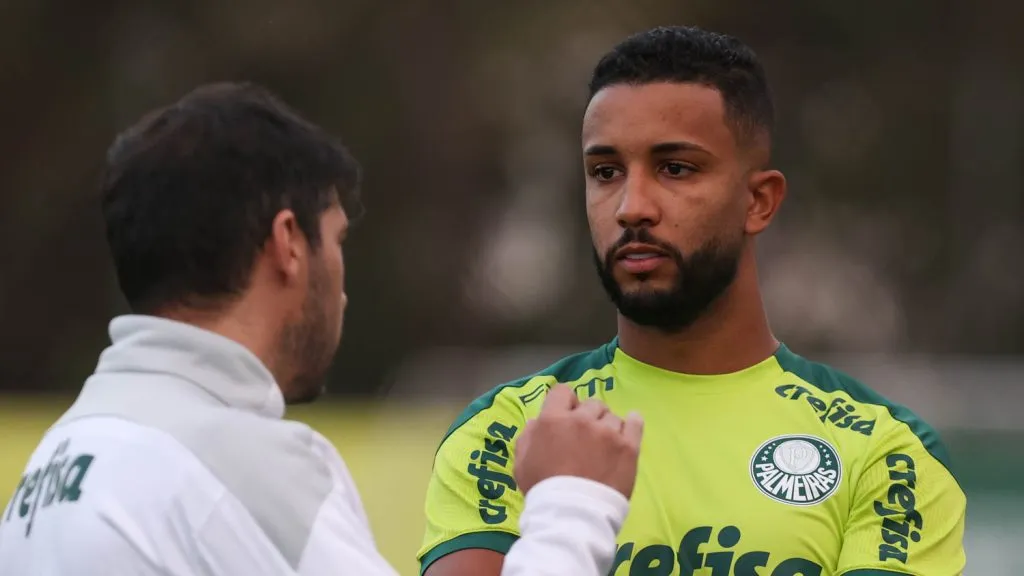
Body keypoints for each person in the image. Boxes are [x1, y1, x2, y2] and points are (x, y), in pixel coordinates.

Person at [0, 82, 644, 575]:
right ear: (288, 243)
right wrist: (571, 503)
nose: (340, 287)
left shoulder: (56, 462)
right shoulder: (238, 461)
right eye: (336, 240)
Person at [418, 26, 966, 576]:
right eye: (605, 172)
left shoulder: (883, 449)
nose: (632, 206)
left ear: (759, 201)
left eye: (675, 168)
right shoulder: (510, 429)